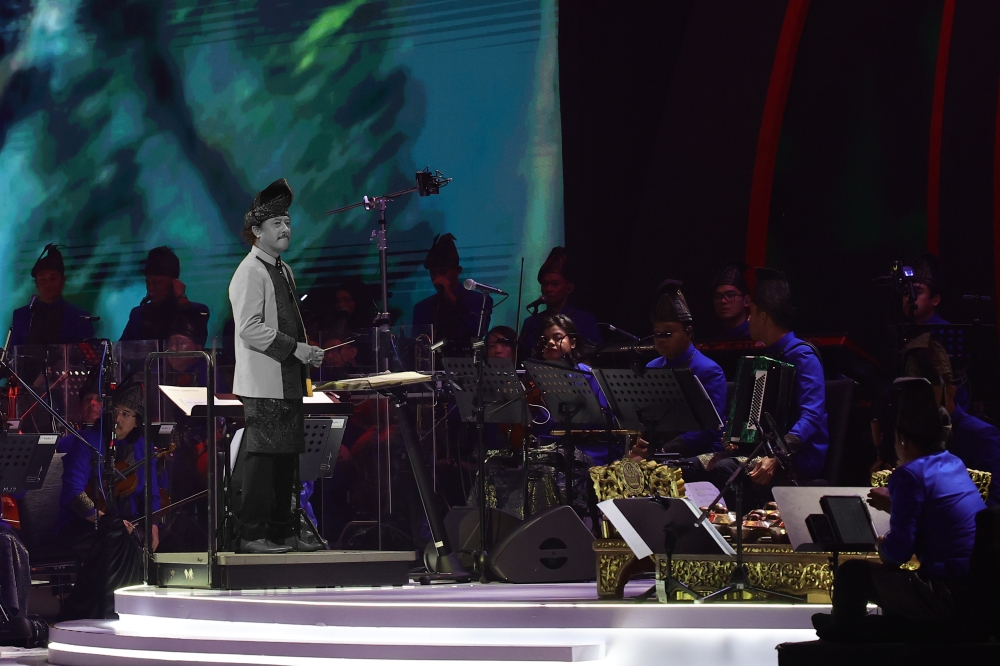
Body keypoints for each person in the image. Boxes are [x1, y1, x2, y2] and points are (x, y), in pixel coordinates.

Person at [813, 377, 985, 642]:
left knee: (852, 574)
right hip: (974, 590)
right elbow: (936, 515)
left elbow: (897, 553)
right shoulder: (954, 463)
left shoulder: (909, 474)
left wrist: (882, 543)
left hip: (943, 593)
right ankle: (846, 625)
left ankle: (842, 635)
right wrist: (896, 506)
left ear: (902, 439)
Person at [229, 178, 324, 554]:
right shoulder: (250, 271)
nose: (285, 229)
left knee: (286, 462)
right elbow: (250, 329)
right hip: (263, 382)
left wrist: (306, 353)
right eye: (276, 224)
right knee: (262, 462)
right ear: (256, 232)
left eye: (287, 221)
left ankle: (284, 531)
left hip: (287, 380)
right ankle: (252, 534)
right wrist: (296, 349)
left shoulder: (282, 269)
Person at [704, 268, 828, 505]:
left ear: (763, 316)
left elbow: (812, 415)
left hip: (799, 458)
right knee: (692, 466)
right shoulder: (768, 356)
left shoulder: (802, 355)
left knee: (725, 469)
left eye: (751, 313)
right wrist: (736, 437)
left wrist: (778, 455)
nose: (748, 319)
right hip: (767, 450)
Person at [58, 380, 160, 620]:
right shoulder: (87, 441)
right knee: (116, 539)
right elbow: (73, 492)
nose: (119, 418)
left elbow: (152, 494)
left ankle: (145, 612)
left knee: (167, 540)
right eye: (116, 411)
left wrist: (154, 525)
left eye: (127, 414)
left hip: (129, 523)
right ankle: (107, 612)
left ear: (137, 420)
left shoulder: (144, 447)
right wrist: (107, 522)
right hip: (85, 524)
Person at [890, 334, 1000, 507]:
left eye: (928, 398)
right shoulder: (915, 434)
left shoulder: (980, 435)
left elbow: (995, 506)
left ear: (951, 392)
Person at [637, 280, 726, 457]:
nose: (661, 339)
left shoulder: (709, 370)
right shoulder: (651, 367)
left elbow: (710, 429)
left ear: (688, 331)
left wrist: (664, 451)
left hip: (697, 454)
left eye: (668, 333)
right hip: (658, 450)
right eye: (657, 333)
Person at [518, 247, 602, 360]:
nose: (548, 289)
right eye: (545, 284)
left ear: (569, 288)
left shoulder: (585, 320)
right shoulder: (531, 322)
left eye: (555, 284)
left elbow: (595, 357)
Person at [412, 233, 492, 348]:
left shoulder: (480, 301)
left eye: (443, 272)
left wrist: (453, 300)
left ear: (458, 271)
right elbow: (417, 344)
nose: (437, 279)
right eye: (433, 274)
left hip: (466, 362)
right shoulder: (423, 307)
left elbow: (476, 334)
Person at [120, 246, 210, 343]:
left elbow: (196, 340)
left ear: (174, 284)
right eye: (148, 283)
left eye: (156, 283)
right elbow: (122, 350)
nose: (151, 288)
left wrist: (182, 298)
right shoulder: (138, 314)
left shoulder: (198, 311)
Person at [9, 244, 94, 346]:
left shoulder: (80, 318)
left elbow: (88, 357)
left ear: (63, 281)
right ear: (36, 284)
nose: (47, 284)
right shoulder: (22, 316)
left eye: (53, 278)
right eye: (42, 279)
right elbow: (12, 354)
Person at [902, 253, 947, 325]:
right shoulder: (899, 331)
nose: (908, 298)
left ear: (935, 300)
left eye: (916, 292)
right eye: (906, 291)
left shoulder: (945, 331)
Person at [710, 261, 751, 339]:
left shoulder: (757, 337)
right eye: (718, 297)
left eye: (730, 295)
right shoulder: (712, 339)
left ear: (746, 301)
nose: (723, 301)